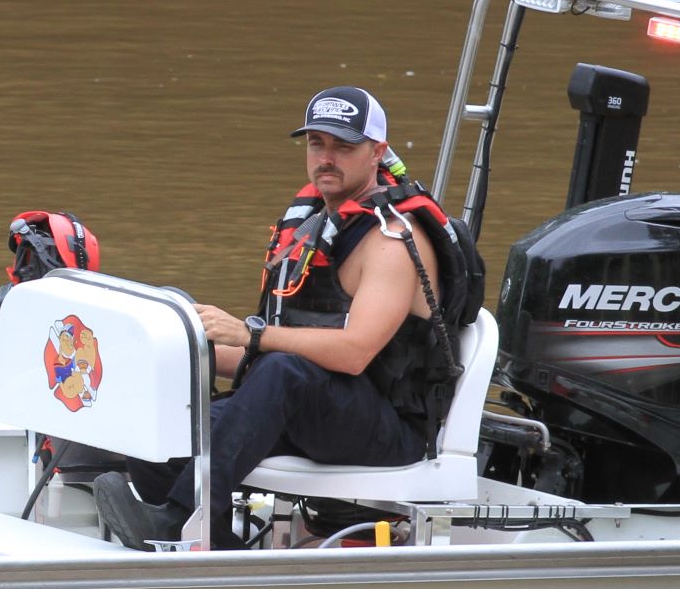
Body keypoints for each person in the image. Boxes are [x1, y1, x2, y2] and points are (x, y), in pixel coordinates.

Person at [95, 86, 468, 550]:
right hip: (310, 409)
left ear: (378, 153)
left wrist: (251, 334)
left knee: (282, 368)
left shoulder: (391, 241)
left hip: (389, 429)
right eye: (317, 144)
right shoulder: (312, 226)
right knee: (165, 410)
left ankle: (176, 521)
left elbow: (353, 355)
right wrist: (182, 348)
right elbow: (259, 357)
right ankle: (207, 546)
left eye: (343, 146)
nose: (326, 158)